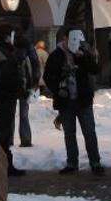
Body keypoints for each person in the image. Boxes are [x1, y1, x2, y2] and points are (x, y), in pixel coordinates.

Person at [43, 27, 105, 175]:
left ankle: (95, 161)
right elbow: (47, 76)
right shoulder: (56, 55)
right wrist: (58, 89)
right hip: (66, 101)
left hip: (83, 99)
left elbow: (95, 69)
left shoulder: (83, 53)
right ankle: (72, 162)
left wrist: (83, 57)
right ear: (64, 38)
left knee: (89, 132)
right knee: (69, 133)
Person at [0, 24, 27, 177]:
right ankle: (3, 164)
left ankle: (4, 163)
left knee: (4, 131)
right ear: (7, 36)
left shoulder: (4, 51)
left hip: (5, 96)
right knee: (3, 132)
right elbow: (7, 77)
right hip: (5, 97)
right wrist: (18, 87)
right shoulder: (4, 53)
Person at [13, 23, 39, 148]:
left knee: (11, 112)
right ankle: (25, 139)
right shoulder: (27, 44)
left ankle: (9, 140)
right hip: (25, 81)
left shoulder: (10, 44)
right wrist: (35, 80)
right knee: (23, 113)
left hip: (13, 81)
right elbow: (35, 62)